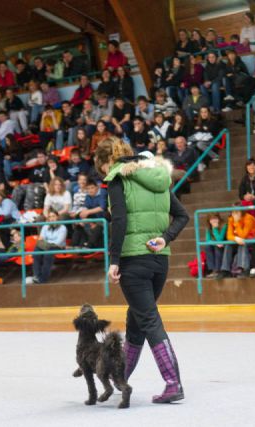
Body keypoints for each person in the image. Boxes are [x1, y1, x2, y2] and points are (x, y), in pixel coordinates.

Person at [96, 138, 189, 403]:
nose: (104, 174)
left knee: (148, 319)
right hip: (160, 259)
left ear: (107, 163)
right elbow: (182, 215)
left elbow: (120, 219)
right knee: (136, 320)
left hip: (133, 260)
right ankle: (121, 376)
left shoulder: (116, 177)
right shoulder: (157, 175)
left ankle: (173, 383)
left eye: (102, 169)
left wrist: (114, 260)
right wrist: (165, 238)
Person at [226, 206, 255, 278]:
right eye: (233, 212)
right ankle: (225, 269)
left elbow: (243, 235)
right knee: (228, 245)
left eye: (237, 212)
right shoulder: (231, 219)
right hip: (240, 238)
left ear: (241, 212)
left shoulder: (248, 218)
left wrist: (236, 223)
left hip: (254, 237)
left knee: (243, 243)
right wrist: (235, 238)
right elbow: (228, 235)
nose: (234, 214)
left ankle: (243, 268)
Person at [204, 213, 229, 279]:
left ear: (218, 219)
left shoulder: (224, 225)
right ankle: (212, 270)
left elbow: (220, 239)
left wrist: (215, 229)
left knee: (218, 247)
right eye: (211, 219)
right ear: (209, 220)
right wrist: (215, 243)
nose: (214, 221)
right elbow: (208, 240)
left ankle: (217, 270)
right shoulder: (208, 227)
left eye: (215, 218)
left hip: (224, 246)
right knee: (208, 247)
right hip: (216, 245)